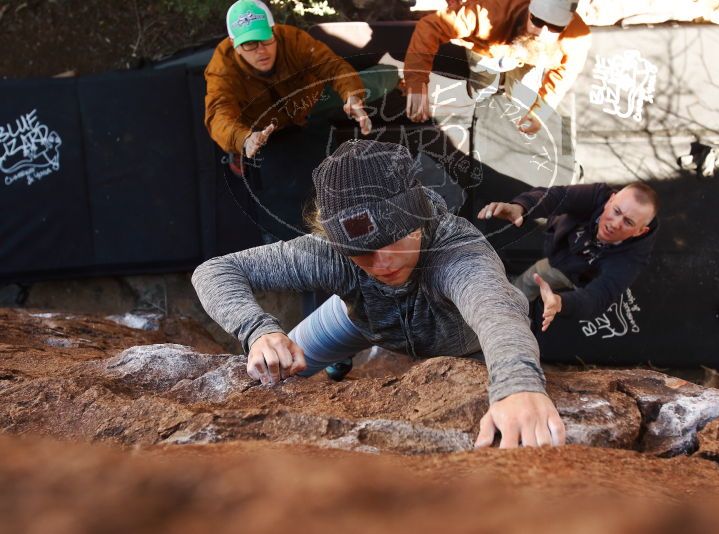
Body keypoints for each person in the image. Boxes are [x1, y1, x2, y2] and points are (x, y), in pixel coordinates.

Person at [192, 139, 566, 448]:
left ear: (417, 219)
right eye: (361, 252)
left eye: (390, 241)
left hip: (461, 342)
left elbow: (494, 312)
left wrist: (517, 387)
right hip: (363, 322)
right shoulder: (331, 252)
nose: (381, 262)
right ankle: (342, 358)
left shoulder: (456, 252)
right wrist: (258, 330)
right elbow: (215, 270)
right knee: (273, 373)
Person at [204, 0, 399, 241]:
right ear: (234, 45)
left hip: (306, 105)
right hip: (261, 126)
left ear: (274, 31)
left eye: (265, 40)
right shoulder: (222, 66)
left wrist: (353, 98)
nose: (261, 51)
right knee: (240, 142)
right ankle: (243, 149)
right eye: (250, 45)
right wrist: (243, 138)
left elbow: (333, 67)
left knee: (385, 76)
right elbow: (218, 113)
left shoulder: (293, 40)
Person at [478, 182, 659, 331]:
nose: (615, 224)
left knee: (554, 310)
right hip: (560, 252)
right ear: (610, 200)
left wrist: (560, 302)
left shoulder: (632, 256)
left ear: (640, 231)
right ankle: (501, 312)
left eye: (628, 222)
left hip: (583, 278)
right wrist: (522, 207)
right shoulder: (597, 194)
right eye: (616, 211)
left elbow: (598, 297)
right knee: (531, 279)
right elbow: (558, 196)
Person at [404, 0, 591, 134]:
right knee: (483, 86)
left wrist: (540, 113)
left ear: (567, 24)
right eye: (537, 21)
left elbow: (562, 75)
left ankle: (511, 93)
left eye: (555, 28)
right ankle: (482, 91)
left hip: (530, 58)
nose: (542, 34)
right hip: (486, 51)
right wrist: (416, 82)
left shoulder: (577, 39)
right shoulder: (489, 11)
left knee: (521, 96)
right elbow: (429, 27)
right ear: (529, 11)